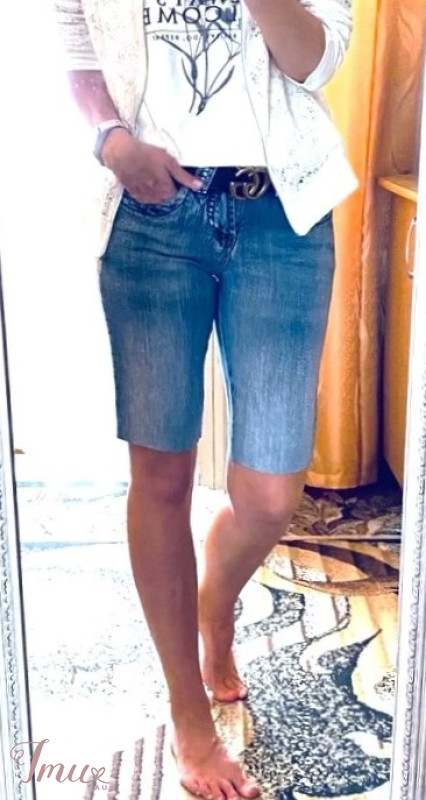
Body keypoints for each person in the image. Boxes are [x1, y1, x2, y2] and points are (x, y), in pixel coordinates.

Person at [54, 0, 358, 797]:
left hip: (282, 215)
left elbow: (317, 61)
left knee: (270, 495)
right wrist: (109, 140)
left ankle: (214, 608)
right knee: (160, 475)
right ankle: (188, 711)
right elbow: (77, 44)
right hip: (150, 216)